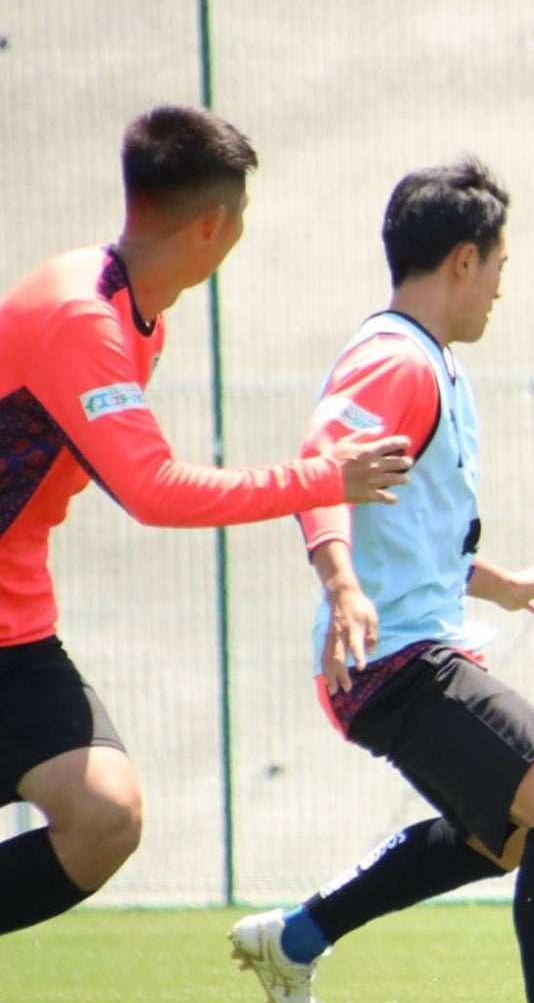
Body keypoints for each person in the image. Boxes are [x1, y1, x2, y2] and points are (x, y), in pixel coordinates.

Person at [224, 159, 534, 1003]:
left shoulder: (433, 362)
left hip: (414, 648)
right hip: (392, 660)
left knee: (508, 837)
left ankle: (296, 938)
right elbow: (320, 468)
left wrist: (498, 584)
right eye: (499, 265)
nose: (501, 286)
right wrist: (340, 581)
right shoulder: (399, 360)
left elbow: (414, 533)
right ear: (464, 259)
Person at [0, 106, 410, 938]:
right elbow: (153, 490)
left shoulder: (134, 317)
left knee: (103, 816)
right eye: (243, 213)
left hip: (17, 623)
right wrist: (322, 478)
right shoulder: (81, 317)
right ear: (214, 224)